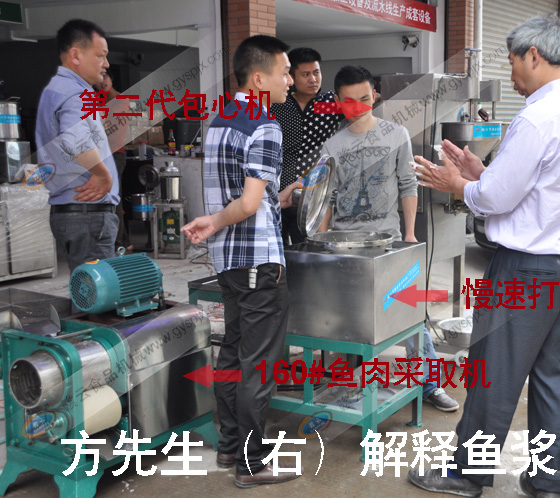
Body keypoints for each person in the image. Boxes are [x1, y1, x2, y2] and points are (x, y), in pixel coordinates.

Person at [408, 14, 560, 497]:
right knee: (555, 378)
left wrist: (458, 183)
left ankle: (466, 474)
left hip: (527, 270)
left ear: (534, 56)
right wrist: (483, 171)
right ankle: (546, 480)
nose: (513, 74)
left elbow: (496, 199)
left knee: (494, 376)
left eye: (513, 63)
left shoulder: (538, 117)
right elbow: (548, 189)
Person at [180, 35, 302, 489]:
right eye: (284, 72)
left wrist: (277, 197)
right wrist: (214, 220)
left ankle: (229, 445)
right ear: (258, 78)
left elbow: (248, 195)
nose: (290, 81)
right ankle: (252, 464)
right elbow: (248, 204)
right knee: (259, 366)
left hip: (229, 262)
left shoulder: (219, 121)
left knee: (232, 354)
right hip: (259, 261)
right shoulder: (264, 125)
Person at [318, 65, 459, 412]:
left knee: (408, 313)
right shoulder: (332, 145)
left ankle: (429, 384)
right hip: (345, 246)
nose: (359, 107)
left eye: (365, 98)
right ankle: (352, 384)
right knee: (349, 319)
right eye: (350, 101)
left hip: (390, 242)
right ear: (338, 102)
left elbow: (408, 185)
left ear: (375, 95)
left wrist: (409, 235)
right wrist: (321, 241)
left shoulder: (396, 134)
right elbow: (326, 198)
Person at [35, 19, 118, 272]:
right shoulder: (76, 93)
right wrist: (102, 174)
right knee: (98, 290)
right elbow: (76, 140)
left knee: (85, 287)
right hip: (88, 215)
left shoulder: (56, 90)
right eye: (100, 56)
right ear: (76, 55)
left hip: (72, 211)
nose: (106, 63)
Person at [270, 47, 343, 245]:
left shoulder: (328, 104)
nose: (313, 79)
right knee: (276, 248)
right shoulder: (279, 104)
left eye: (316, 72)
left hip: (314, 194)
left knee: (310, 248)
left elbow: (363, 109)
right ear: (292, 77)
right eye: (306, 74)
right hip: (278, 192)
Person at [94, 69, 132, 253]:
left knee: (113, 200)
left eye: (105, 77)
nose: (102, 81)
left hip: (114, 155)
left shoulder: (121, 101)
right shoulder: (97, 100)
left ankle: (117, 243)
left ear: (111, 78)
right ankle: (123, 240)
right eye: (98, 78)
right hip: (100, 156)